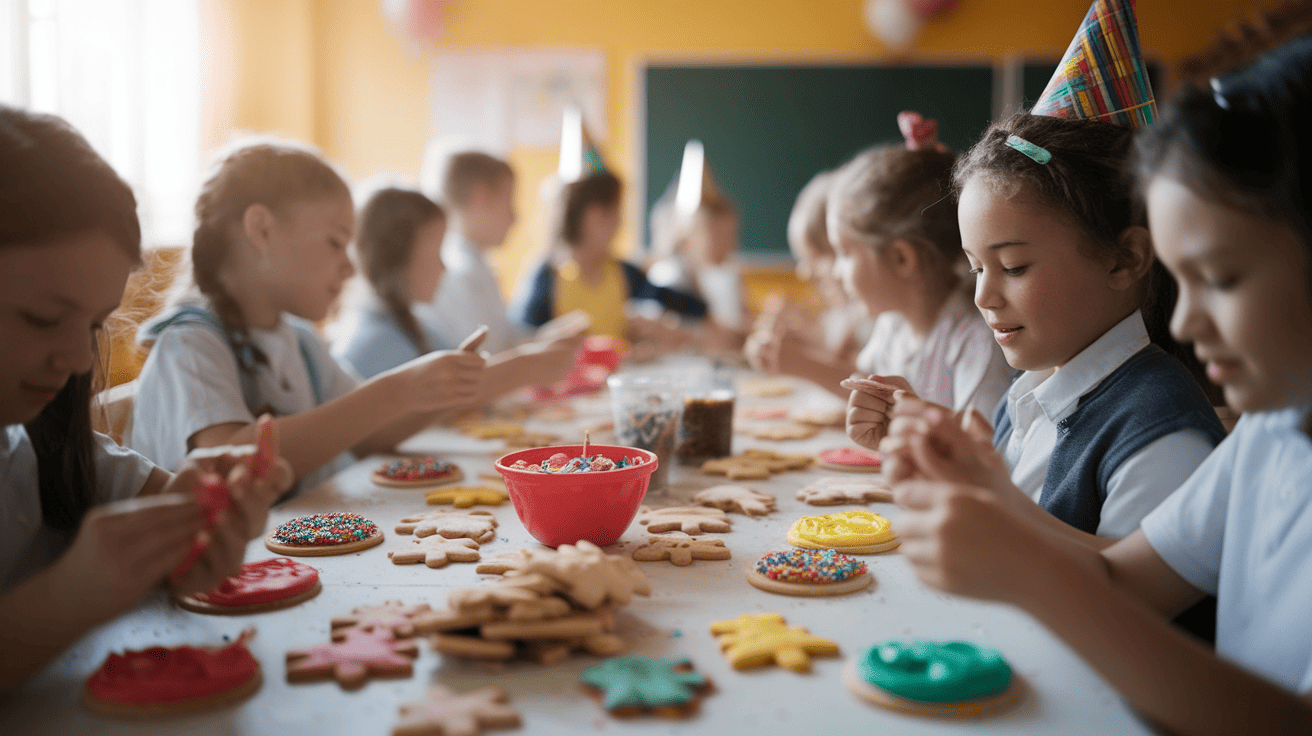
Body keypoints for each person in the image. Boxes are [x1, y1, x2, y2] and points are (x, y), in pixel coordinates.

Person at [889, 38, 1312, 734]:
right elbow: (1126, 577)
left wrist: (1031, 572)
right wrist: (987, 492)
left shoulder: (1161, 417)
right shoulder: (1268, 434)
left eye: (1224, 278)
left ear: (1126, 260)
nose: (1184, 318)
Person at [0, 105, 291, 689]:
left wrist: (199, 530)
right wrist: (61, 602)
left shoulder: (43, 443)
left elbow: (165, 505)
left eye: (93, 326)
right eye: (41, 319)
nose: (81, 361)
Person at [131, 140, 485, 491]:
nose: (349, 268)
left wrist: (430, 390)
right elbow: (227, 465)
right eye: (335, 242)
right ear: (262, 229)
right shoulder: (189, 344)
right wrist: (397, 390)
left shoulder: (300, 341)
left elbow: (367, 434)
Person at [834, 112, 1016, 430]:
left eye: (846, 253)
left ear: (902, 258)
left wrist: (915, 419)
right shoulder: (890, 327)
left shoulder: (975, 340)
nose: (837, 271)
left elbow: (987, 446)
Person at [333, 186, 577, 401]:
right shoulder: (376, 339)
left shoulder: (412, 324)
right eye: (436, 252)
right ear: (399, 258)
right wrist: (528, 365)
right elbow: (446, 396)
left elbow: (468, 371)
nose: (444, 267)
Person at [511, 170, 707, 343]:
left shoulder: (620, 271)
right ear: (593, 216)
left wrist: (705, 314)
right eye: (616, 213)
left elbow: (667, 297)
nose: (620, 224)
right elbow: (524, 339)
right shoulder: (548, 275)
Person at [745, 168, 869, 398]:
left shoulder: (880, 316)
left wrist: (798, 361)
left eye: (815, 257)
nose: (805, 273)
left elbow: (874, 385)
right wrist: (799, 338)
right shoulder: (848, 314)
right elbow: (836, 354)